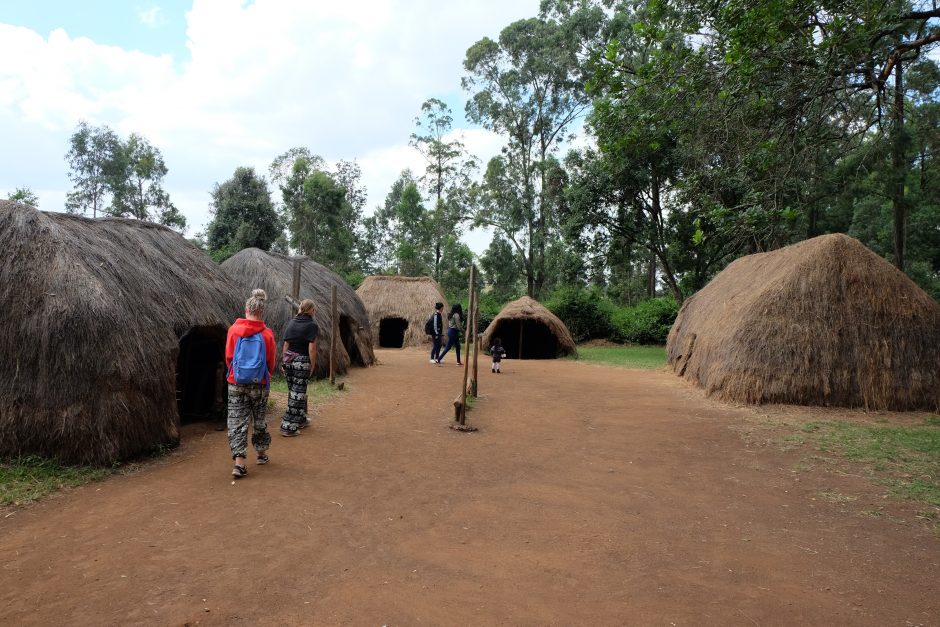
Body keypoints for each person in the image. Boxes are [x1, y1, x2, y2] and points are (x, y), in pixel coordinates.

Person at [226, 289, 277, 479]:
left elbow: (229, 357)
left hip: (236, 382)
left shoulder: (233, 330)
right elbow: (271, 362)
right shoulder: (267, 334)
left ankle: (239, 465)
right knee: (259, 419)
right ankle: (261, 454)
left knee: (237, 422)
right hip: (260, 384)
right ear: (261, 312)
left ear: (247, 308)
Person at [279, 299, 319, 437]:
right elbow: (312, 348)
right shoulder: (312, 325)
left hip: (289, 360)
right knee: (298, 394)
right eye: (314, 310)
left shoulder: (292, 322)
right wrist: (312, 365)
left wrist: (284, 362)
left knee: (294, 392)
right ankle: (288, 427)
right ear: (311, 310)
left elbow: (286, 344)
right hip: (301, 361)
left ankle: (300, 419)